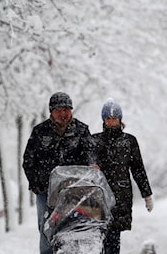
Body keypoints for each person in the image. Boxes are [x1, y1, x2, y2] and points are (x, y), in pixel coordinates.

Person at [22, 92, 99, 254]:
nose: (63, 114)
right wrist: (36, 184)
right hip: (46, 191)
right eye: (59, 110)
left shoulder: (81, 130)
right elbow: (28, 160)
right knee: (46, 228)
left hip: (75, 190)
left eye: (66, 110)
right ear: (51, 112)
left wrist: (92, 163)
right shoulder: (39, 131)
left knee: (75, 227)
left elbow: (90, 149)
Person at [92, 98, 154, 254]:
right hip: (97, 196)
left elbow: (138, 169)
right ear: (103, 120)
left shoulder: (129, 141)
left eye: (115, 119)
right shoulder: (94, 141)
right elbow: (84, 166)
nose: (111, 122)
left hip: (120, 196)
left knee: (113, 238)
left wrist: (147, 194)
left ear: (120, 119)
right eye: (108, 118)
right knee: (96, 239)